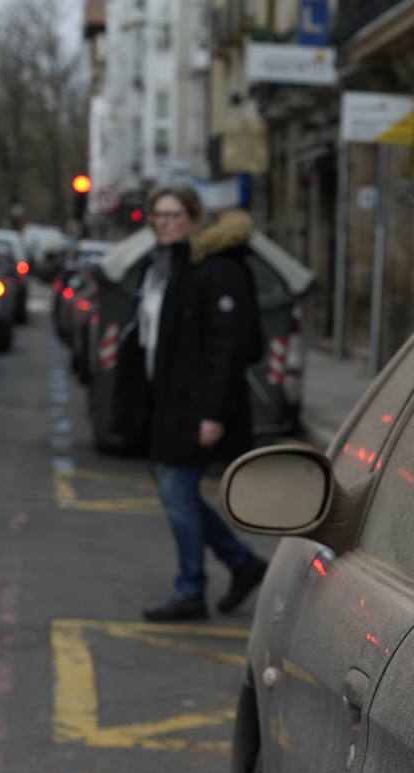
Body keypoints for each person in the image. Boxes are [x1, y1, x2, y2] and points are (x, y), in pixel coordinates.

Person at [138, 184, 267, 622]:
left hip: (198, 406)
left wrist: (212, 412)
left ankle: (191, 589)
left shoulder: (219, 269)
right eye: (158, 214)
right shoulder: (174, 265)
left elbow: (227, 348)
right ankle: (242, 563)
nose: (164, 222)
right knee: (180, 493)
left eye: (174, 214)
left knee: (177, 491)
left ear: (194, 220)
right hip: (172, 401)